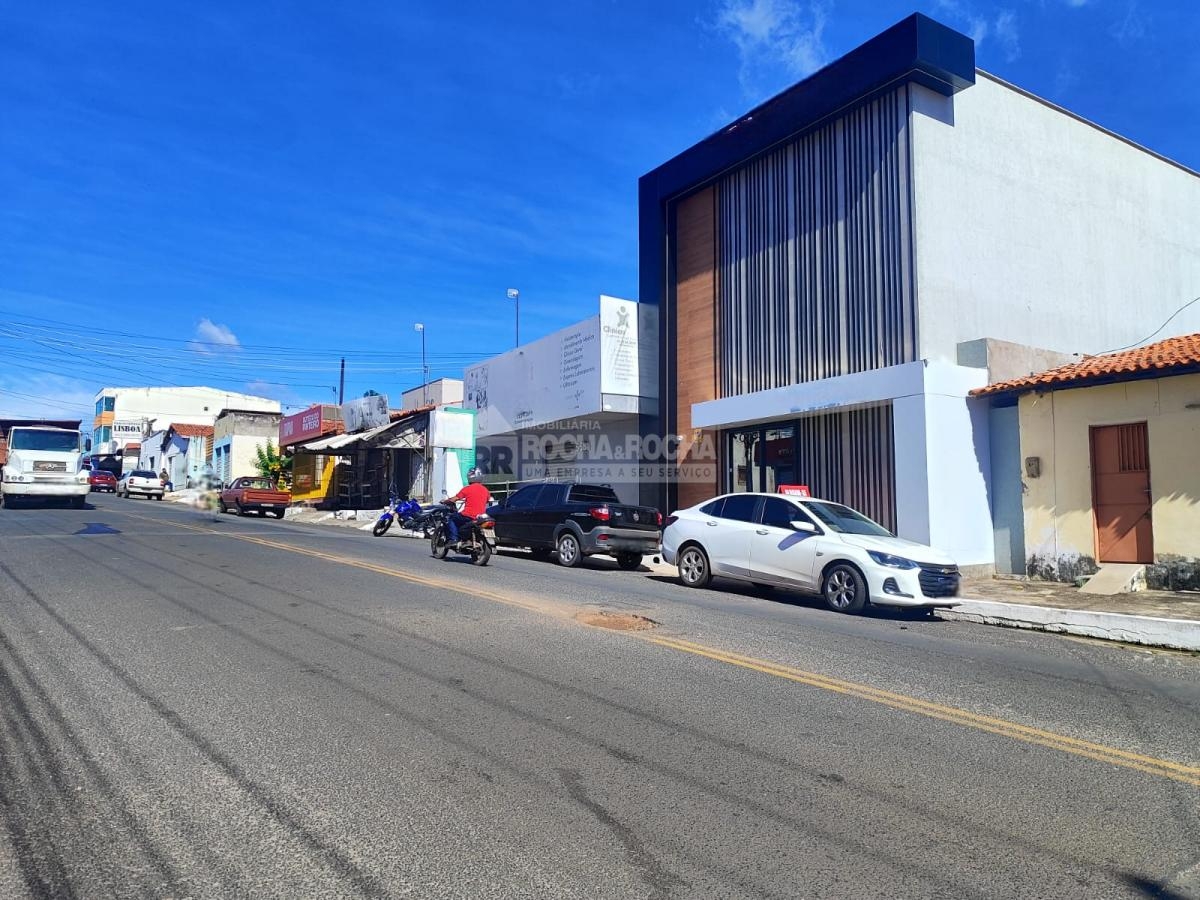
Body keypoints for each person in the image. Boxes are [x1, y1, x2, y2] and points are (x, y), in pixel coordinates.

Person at [444, 468, 491, 545]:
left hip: (468, 515)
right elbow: (488, 500)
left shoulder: (467, 489)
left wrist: (446, 501)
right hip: (480, 517)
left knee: (451, 518)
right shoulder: (485, 490)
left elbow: (455, 498)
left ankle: (453, 539)